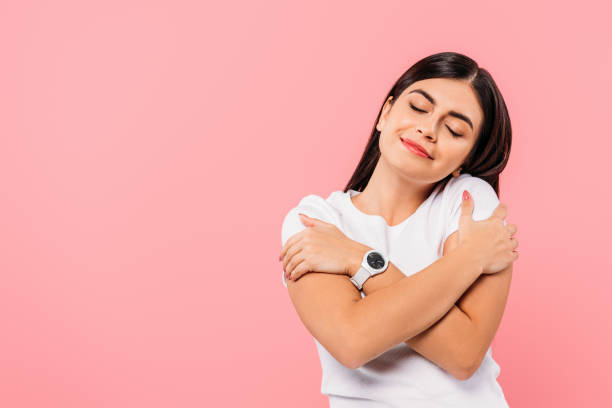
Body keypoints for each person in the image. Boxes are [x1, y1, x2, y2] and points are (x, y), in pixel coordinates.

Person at [278, 51, 519, 408]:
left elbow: (464, 353)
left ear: (466, 159)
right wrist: (471, 257)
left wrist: (357, 259)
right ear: (386, 113)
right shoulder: (316, 220)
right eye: (419, 108)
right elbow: (353, 341)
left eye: (454, 130)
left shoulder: (468, 201)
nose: (428, 130)